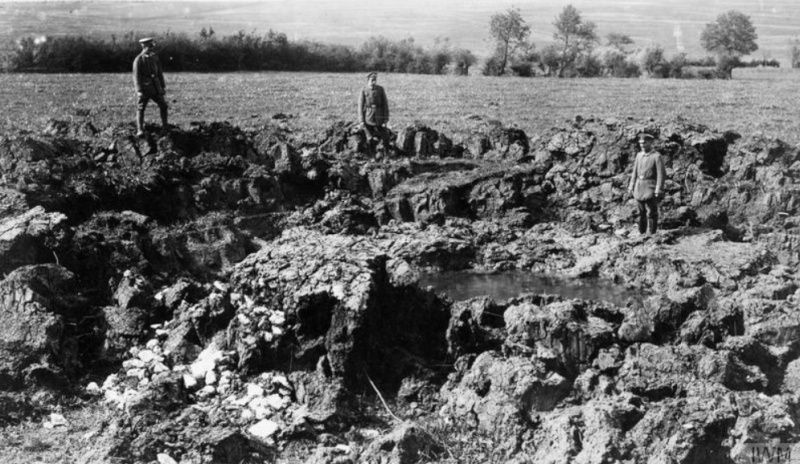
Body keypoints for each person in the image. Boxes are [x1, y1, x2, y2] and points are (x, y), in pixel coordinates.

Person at [627, 133, 666, 235]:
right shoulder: (639, 155)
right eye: (640, 143)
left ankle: (652, 233)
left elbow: (661, 174)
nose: (642, 145)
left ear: (650, 143)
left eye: (644, 143)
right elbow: (634, 172)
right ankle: (642, 232)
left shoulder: (656, 156)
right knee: (641, 212)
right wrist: (631, 185)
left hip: (650, 187)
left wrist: (658, 188)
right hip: (639, 187)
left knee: (652, 212)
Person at [132, 37, 168, 137]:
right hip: (145, 89)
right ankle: (140, 130)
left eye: (151, 46)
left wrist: (162, 86)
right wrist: (139, 90)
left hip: (156, 88)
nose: (151, 48)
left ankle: (165, 128)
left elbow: (159, 73)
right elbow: (136, 76)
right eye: (149, 46)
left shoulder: (155, 57)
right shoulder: (138, 59)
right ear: (143, 46)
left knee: (164, 106)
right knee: (141, 108)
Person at [357, 72, 391, 149]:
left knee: (385, 137)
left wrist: (385, 119)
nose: (373, 82)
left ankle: (386, 153)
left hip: (379, 117)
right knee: (370, 138)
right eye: (372, 80)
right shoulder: (364, 90)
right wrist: (361, 121)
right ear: (368, 80)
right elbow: (360, 106)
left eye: (375, 80)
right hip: (369, 117)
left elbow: (385, 104)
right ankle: (371, 154)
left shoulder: (380, 89)